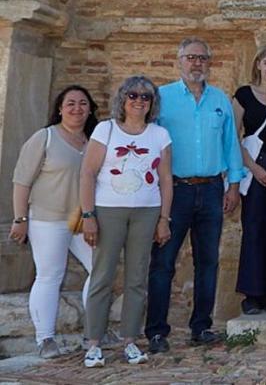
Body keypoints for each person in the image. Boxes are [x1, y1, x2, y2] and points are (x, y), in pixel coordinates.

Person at [145, 38, 243, 353]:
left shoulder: (219, 100)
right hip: (174, 191)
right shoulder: (162, 98)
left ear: (209, 63)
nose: (196, 63)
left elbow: (231, 143)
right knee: (163, 262)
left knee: (208, 262)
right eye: (191, 58)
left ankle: (201, 327)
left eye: (202, 58)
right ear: (180, 61)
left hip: (212, 188)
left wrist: (234, 185)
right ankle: (156, 332)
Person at [79, 76, 173, 368]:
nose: (139, 101)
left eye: (146, 97)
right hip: (108, 210)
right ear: (123, 98)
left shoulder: (159, 134)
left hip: (146, 211)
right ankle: (93, 343)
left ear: (152, 103)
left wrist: (164, 219)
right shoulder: (105, 130)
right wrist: (88, 215)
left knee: (136, 279)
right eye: (133, 95)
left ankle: (130, 340)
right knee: (102, 276)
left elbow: (166, 180)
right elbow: (87, 173)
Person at [10, 85, 99, 358]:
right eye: (70, 103)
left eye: (83, 103)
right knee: (50, 275)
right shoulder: (45, 137)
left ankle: (93, 333)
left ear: (90, 109)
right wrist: (20, 219)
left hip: (80, 219)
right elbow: (22, 181)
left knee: (99, 271)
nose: (77, 108)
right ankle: (45, 339)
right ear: (60, 108)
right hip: (47, 218)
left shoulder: (93, 141)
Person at [233, 44, 266, 316]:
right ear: (258, 64)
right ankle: (251, 294)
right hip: (253, 166)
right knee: (253, 228)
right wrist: (253, 168)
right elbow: (233, 136)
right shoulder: (244, 95)